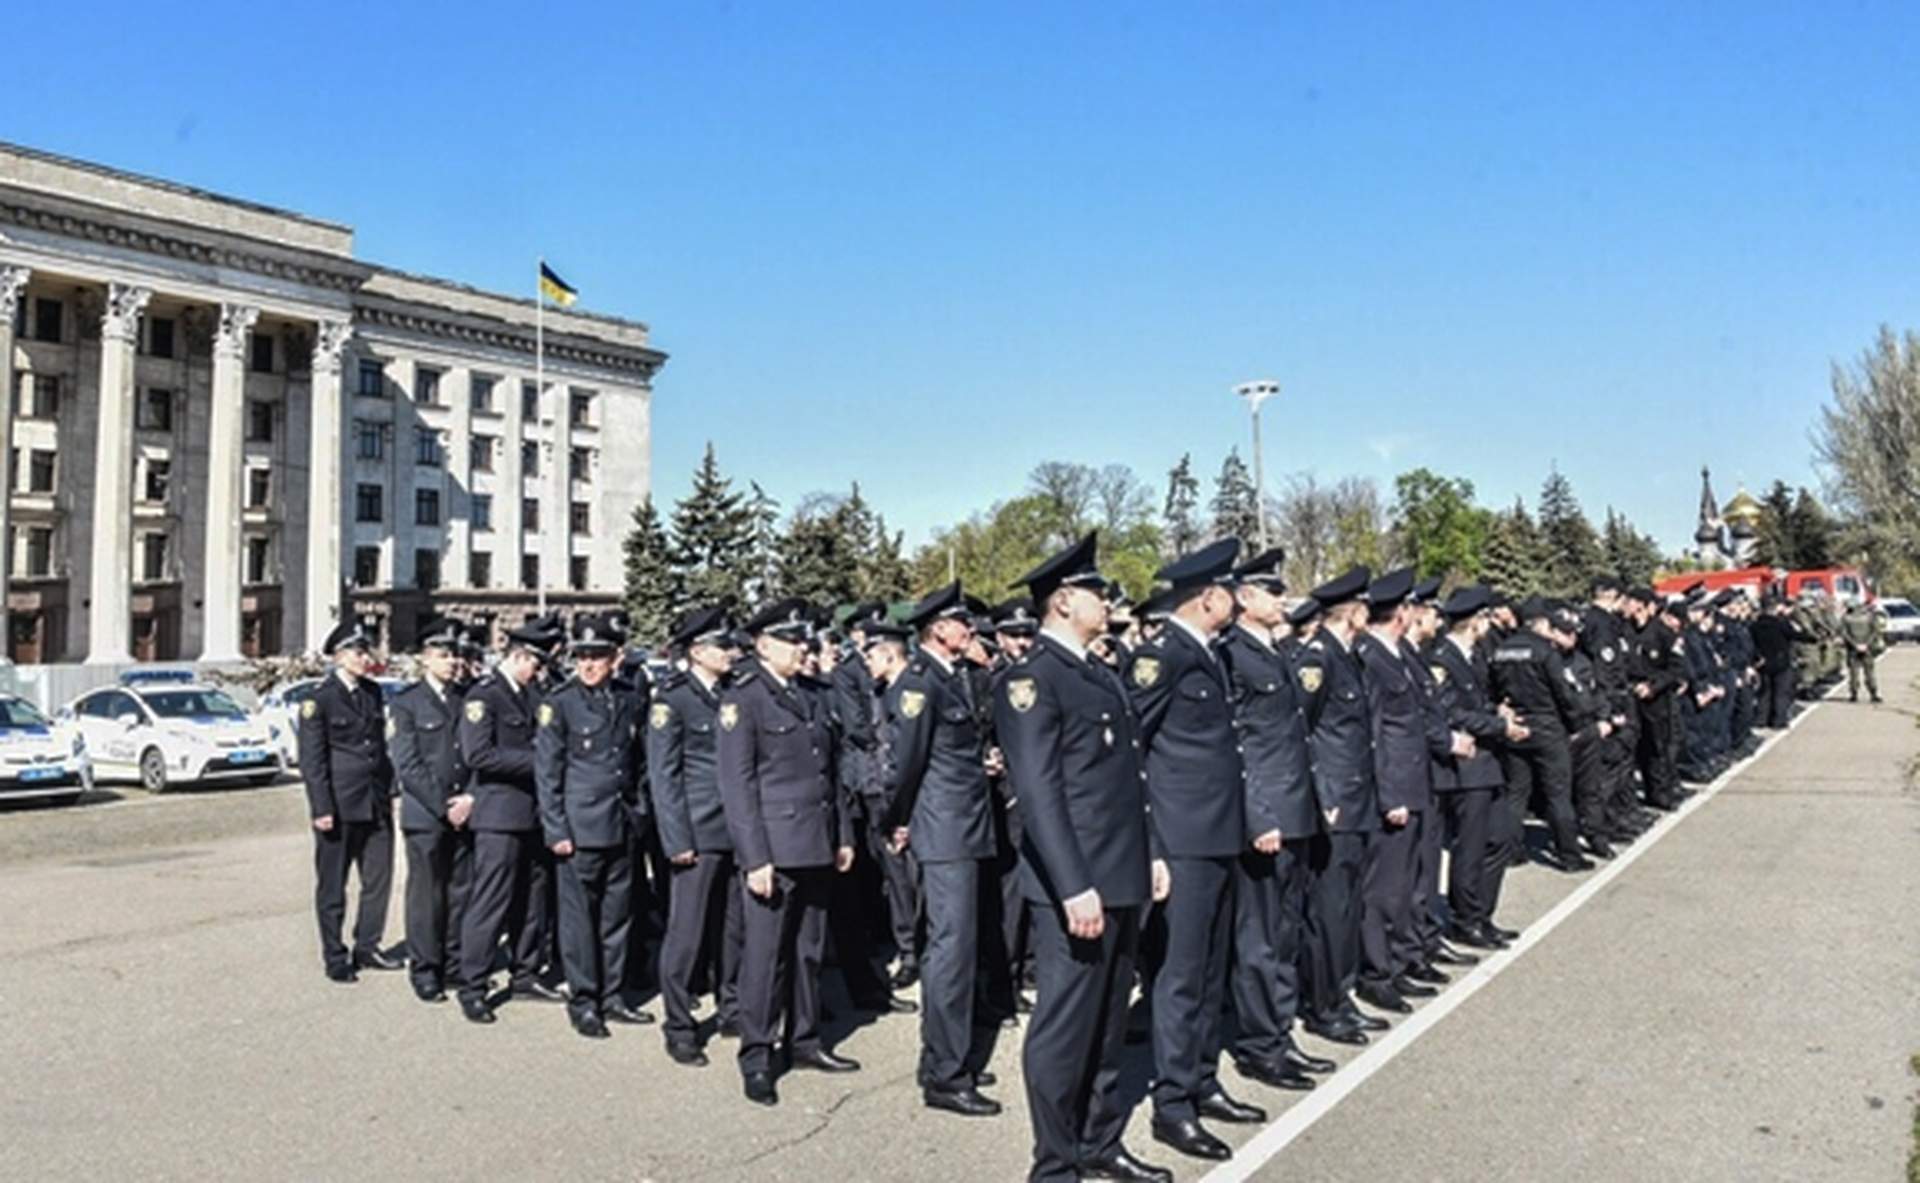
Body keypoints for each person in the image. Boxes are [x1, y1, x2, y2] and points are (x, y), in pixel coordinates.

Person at [996, 533, 1171, 1183]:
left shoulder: (1098, 670)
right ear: (1064, 600)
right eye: (1097, 592)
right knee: (1065, 1028)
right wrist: (1074, 886)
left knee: (1105, 1026)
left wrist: (1150, 853)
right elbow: (1039, 796)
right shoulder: (1032, 678)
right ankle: (1055, 1161)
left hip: (1122, 874)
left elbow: (1131, 781)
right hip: (1078, 886)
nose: (1109, 601)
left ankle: (1099, 1142)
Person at [1122, 537, 1270, 1162]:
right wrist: (1152, 844)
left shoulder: (1207, 654)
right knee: (1180, 979)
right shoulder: (1162, 658)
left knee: (1212, 971)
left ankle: (1203, 1080)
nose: (1237, 600)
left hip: (1218, 837)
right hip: (1182, 842)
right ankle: (1172, 1104)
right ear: (1207, 597)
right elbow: (1132, 753)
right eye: (1230, 591)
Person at [717, 598, 861, 1107]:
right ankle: (757, 1054)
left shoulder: (814, 695)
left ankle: (803, 1040)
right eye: (791, 640)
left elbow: (832, 773)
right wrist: (755, 858)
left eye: (804, 640)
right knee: (765, 957)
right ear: (762, 645)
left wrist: (842, 834)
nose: (803, 648)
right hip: (773, 851)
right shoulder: (744, 699)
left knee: (808, 951)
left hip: (816, 843)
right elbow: (738, 786)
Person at [885, 582, 1003, 1118]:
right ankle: (946, 1076)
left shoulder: (953, 677)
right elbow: (904, 766)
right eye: (961, 622)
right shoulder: (918, 684)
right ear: (938, 629)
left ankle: (945, 1054)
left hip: (969, 825)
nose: (970, 630)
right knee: (950, 953)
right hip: (945, 829)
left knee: (963, 949)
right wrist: (897, 821)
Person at [1219, 547, 1331, 1093]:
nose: (1284, 598)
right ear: (1245, 598)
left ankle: (1280, 1033)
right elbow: (1235, 744)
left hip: (1297, 809)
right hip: (1266, 817)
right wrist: (1256, 813)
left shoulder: (1277, 650)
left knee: (1285, 931)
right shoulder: (1232, 653)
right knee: (1260, 939)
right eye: (1274, 591)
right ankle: (1260, 1043)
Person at [1352, 568, 1469, 1016]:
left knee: (1406, 884)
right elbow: (1377, 733)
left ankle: (1403, 959)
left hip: (1415, 782)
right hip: (1394, 788)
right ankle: (1378, 972)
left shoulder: (1398, 653)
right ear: (1401, 612)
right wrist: (1388, 794)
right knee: (1383, 889)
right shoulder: (1370, 656)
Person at [536, 613, 653, 1039]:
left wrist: (639, 811)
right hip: (579, 828)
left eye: (597, 656)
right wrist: (557, 830)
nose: (587, 664)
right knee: (578, 921)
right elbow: (547, 773)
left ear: (615, 658)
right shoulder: (560, 703)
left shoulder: (627, 697)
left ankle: (613, 995)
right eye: (581, 656)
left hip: (621, 825)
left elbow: (637, 762)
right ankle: (584, 1000)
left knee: (617, 916)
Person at [649, 606, 745, 1066]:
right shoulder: (673, 701)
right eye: (721, 646)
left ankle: (731, 1009)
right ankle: (680, 1024)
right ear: (696, 651)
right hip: (697, 831)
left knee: (733, 930)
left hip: (737, 831)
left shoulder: (733, 692)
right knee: (686, 933)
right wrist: (676, 838)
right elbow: (664, 777)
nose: (730, 653)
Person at [1293, 566, 1385, 1047]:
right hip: (1335, 805)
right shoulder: (1317, 658)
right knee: (1327, 909)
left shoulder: (1350, 657)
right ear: (1351, 612)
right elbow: (1300, 731)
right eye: (1365, 606)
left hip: (1358, 800)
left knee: (1347, 905)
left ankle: (1341, 993)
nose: (1370, 613)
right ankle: (1324, 1004)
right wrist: (1321, 795)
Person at [456, 621, 564, 1024]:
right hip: (499, 815)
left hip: (535, 814)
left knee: (533, 901)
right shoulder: (484, 696)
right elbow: (478, 755)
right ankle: (474, 984)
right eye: (534, 664)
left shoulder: (533, 693)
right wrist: (540, 762)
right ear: (518, 656)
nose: (539, 673)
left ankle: (525, 972)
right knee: (491, 901)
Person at [297, 618, 398, 983]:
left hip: (375, 802)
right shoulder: (318, 699)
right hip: (338, 806)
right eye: (357, 652)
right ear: (339, 656)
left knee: (378, 879)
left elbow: (378, 747)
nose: (364, 658)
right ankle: (334, 954)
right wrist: (321, 807)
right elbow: (312, 759)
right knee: (332, 885)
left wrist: (389, 787)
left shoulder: (372, 692)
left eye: (365, 651)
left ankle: (368, 946)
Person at [1426, 586, 1522, 950]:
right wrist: (1498, 726)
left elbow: (1477, 703)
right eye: (1484, 617)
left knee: (1499, 839)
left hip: (1486, 761)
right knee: (1471, 845)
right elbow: (1449, 712)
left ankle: (1482, 913)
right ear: (1473, 620)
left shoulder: (1474, 655)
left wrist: (1498, 712)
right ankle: (1466, 919)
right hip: (1465, 766)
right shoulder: (1442, 658)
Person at [390, 617, 473, 1003]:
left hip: (466, 811)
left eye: (455, 655)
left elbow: (476, 756)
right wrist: (443, 805)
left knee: (461, 893)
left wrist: (469, 797)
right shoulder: (406, 702)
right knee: (427, 895)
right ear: (425, 659)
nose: (453, 662)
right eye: (443, 655)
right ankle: (425, 969)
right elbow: (408, 764)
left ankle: (454, 964)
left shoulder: (468, 698)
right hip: (427, 816)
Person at [1487, 599, 1593, 874]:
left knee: (1515, 793)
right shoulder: (1546, 651)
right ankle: (1569, 854)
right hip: (1548, 727)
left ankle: (1512, 850)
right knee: (1558, 794)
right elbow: (1562, 692)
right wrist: (1575, 724)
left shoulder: (1501, 650)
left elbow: (1493, 691)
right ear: (1542, 623)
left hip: (1515, 726)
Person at [1840, 598, 1885, 703]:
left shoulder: (1846, 618)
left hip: (1852, 649)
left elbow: (1844, 634)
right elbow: (1875, 631)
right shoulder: (1869, 616)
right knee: (1869, 672)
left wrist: (1855, 645)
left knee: (1853, 673)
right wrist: (1866, 644)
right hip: (1868, 648)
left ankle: (1854, 694)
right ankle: (1874, 693)